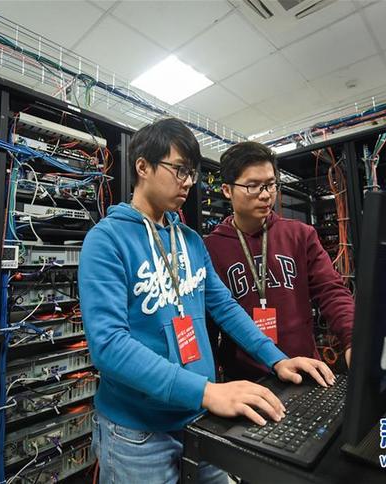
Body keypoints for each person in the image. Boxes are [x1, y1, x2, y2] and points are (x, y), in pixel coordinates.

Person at [78, 119, 334, 483]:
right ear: (143, 167)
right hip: (138, 434)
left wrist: (276, 359)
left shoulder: (191, 241)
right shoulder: (106, 241)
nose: (187, 182)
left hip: (199, 417)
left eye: (192, 173)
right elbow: (108, 346)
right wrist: (205, 392)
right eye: (179, 169)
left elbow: (225, 308)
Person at [204, 141, 355, 382]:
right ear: (227, 190)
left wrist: (352, 339)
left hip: (304, 369)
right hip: (245, 381)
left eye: (270, 184)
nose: (265, 195)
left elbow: (331, 291)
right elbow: (208, 324)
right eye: (252, 186)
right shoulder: (211, 248)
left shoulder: (300, 235)